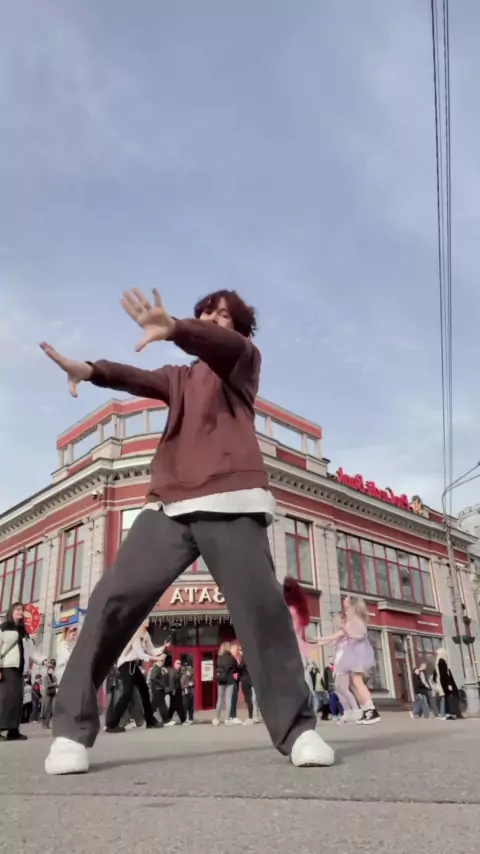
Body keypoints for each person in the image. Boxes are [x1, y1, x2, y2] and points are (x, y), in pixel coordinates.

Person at [40, 287, 333, 775]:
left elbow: (225, 346)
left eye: (225, 317)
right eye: (207, 313)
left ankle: (298, 729)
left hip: (232, 498)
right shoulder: (179, 378)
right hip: (169, 505)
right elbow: (135, 377)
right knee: (112, 600)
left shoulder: (242, 364)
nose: (215, 321)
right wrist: (90, 370)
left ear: (239, 330)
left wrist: (178, 328)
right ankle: (70, 731)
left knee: (261, 610)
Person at [318, 596, 380, 725]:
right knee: (352, 684)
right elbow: (336, 636)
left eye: (346, 601)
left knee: (357, 681)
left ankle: (372, 710)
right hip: (354, 655)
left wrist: (343, 627)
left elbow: (358, 636)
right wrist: (317, 641)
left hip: (358, 654)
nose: (344, 602)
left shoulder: (356, 620)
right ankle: (365, 710)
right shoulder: (351, 621)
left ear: (352, 605)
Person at [105, 620, 164, 733]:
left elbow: (151, 650)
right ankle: (112, 724)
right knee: (127, 693)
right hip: (125, 664)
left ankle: (150, 721)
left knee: (144, 690)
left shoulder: (146, 634)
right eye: (145, 619)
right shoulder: (135, 634)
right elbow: (140, 654)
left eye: (148, 619)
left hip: (133, 665)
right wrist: (157, 658)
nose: (148, 621)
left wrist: (162, 648)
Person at [0, 603, 47, 741]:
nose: (20, 612)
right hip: (7, 668)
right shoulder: (4, 628)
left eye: (22, 610)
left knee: (16, 701)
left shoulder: (23, 632)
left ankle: (13, 731)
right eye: (18, 610)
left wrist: (44, 661)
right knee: (5, 700)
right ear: (11, 612)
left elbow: (32, 651)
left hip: (19, 670)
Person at [213, 641, 238, 726]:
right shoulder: (231, 658)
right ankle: (227, 719)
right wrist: (233, 670)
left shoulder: (219, 658)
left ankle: (216, 719)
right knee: (228, 700)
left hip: (221, 681)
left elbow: (217, 667)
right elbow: (236, 667)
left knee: (219, 700)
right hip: (229, 681)